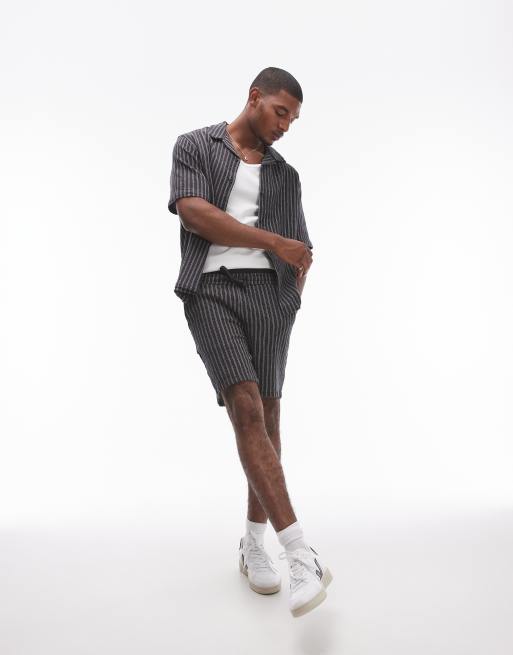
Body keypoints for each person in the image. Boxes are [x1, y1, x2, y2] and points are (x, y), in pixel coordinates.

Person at [168, 67, 333, 617]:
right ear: (254, 97)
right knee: (244, 407)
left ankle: (254, 543)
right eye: (280, 112)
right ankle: (300, 554)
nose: (285, 125)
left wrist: (289, 303)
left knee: (268, 420)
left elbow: (301, 250)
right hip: (211, 291)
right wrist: (273, 243)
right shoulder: (195, 145)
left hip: (270, 301)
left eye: (293, 119)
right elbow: (196, 214)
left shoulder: (286, 176)